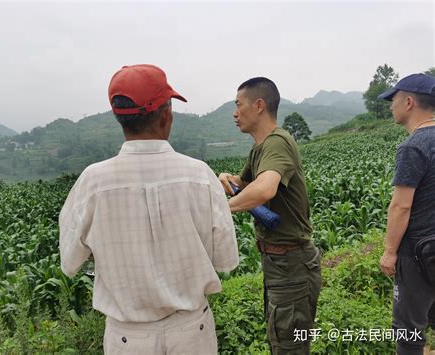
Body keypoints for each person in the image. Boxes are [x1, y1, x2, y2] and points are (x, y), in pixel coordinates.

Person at [59, 64, 239, 354]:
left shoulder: (92, 183)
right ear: (166, 114)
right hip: (193, 333)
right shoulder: (201, 176)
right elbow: (225, 260)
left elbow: (69, 262)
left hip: (127, 339)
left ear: (119, 118)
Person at [218, 77, 321, 354]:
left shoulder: (277, 142)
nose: (234, 113)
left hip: (291, 264)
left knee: (289, 346)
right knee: (281, 339)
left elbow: (264, 189)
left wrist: (219, 210)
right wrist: (225, 179)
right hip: (280, 262)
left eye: (239, 105)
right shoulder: (260, 149)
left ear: (259, 105)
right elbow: (243, 184)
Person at [378, 73, 435, 355]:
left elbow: (401, 206)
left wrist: (390, 252)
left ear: (409, 102)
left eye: (394, 99)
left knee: (409, 331)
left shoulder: (413, 146)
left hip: (419, 253)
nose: (391, 106)